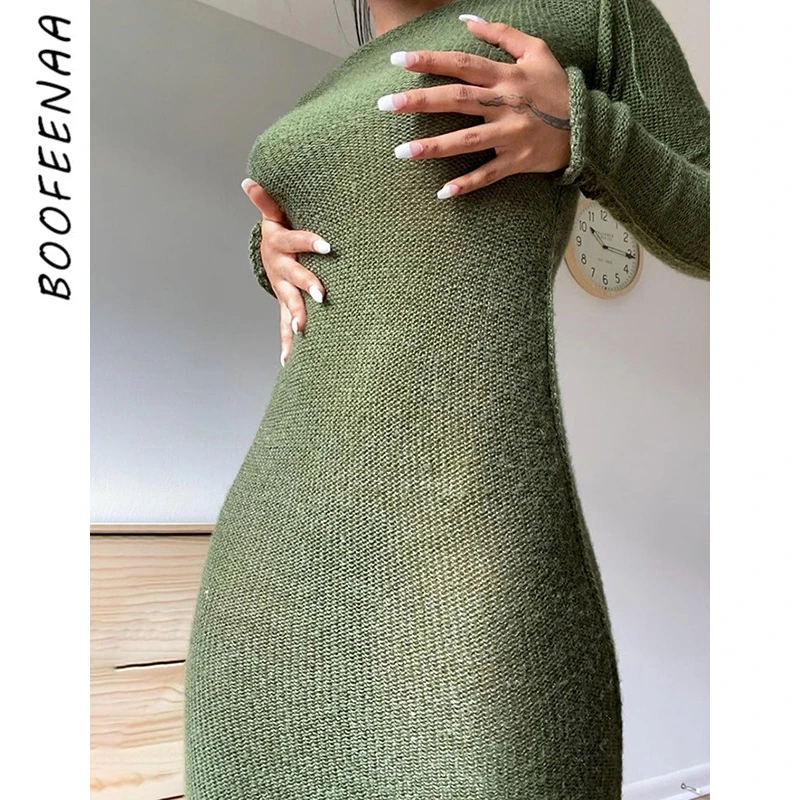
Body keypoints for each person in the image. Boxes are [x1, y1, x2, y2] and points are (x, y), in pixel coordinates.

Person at [183, 1, 709, 798]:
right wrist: (269, 250)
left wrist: (588, 133)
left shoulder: (591, 12)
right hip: (272, 551)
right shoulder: (325, 90)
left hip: (466, 534)